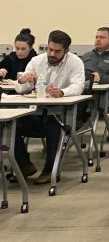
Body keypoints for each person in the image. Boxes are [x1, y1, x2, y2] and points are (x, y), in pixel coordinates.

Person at [14, 30, 85, 184]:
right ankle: (24, 165)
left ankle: (49, 170)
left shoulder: (75, 62)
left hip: (61, 114)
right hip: (36, 112)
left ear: (66, 51)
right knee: (10, 124)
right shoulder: (36, 61)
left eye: (57, 51)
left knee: (55, 126)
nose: (52, 53)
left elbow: (78, 86)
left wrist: (62, 92)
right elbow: (22, 90)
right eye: (50, 49)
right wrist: (23, 81)